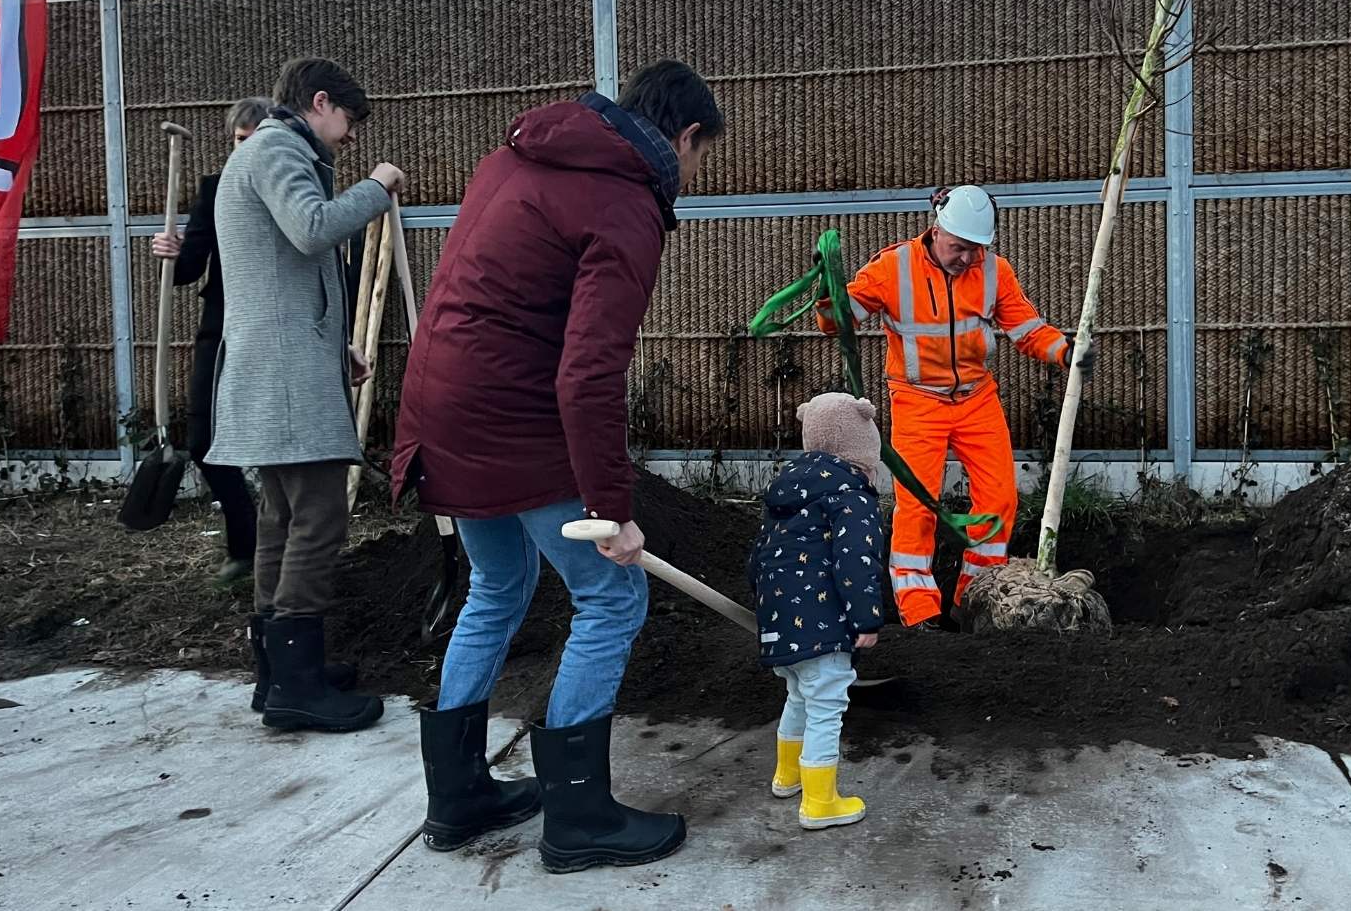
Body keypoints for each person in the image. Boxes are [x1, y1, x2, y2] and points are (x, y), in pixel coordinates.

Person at [390, 60, 723, 871]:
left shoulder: (512, 160)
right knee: (611, 596)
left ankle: (458, 796)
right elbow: (588, 370)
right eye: (702, 154)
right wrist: (613, 505)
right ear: (682, 136)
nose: (696, 171)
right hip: (516, 416)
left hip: (442, 402)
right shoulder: (623, 202)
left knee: (497, 585)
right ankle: (577, 817)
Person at [209, 57, 405, 732]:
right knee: (318, 517)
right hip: (285, 377)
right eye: (348, 121)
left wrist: (334, 345)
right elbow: (313, 228)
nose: (349, 138)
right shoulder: (276, 149)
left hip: (283, 363)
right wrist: (376, 188)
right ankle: (294, 682)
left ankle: (280, 674)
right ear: (320, 102)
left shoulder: (269, 151)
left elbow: (281, 266)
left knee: (282, 519)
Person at [817, 185, 1093, 631]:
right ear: (937, 229)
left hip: (976, 399)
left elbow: (1027, 328)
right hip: (916, 400)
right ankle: (920, 612)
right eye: (959, 247)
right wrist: (827, 297)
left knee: (1000, 499)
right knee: (917, 506)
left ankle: (974, 598)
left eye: (976, 249)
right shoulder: (893, 268)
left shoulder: (994, 272)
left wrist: (1065, 350)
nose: (967, 258)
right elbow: (837, 321)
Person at [750, 392, 886, 830]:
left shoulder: (786, 496)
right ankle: (820, 802)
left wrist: (766, 612)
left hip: (780, 624)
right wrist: (867, 619)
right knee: (827, 706)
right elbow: (857, 559)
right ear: (863, 451)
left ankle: (787, 775)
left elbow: (757, 561)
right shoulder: (852, 497)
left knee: (798, 696)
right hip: (825, 627)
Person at [149, 98, 270, 587]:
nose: (249, 148)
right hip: (221, 326)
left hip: (274, 326)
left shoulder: (294, 188)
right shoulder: (216, 191)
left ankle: (283, 549)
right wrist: (171, 254)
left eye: (257, 138)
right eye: (241, 140)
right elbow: (188, 270)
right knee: (204, 440)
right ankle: (247, 541)